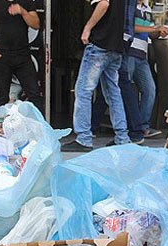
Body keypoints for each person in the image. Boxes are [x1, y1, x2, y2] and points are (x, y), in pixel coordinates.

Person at [62, 0, 134, 152]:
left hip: (100, 45)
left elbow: (103, 4)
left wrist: (87, 28)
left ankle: (83, 139)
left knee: (83, 90)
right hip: (116, 46)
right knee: (113, 92)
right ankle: (122, 138)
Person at [116, 0, 168, 144]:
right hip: (129, 51)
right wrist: (154, 29)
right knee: (124, 89)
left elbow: (149, 34)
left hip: (142, 55)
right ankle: (127, 127)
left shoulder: (147, 8)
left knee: (150, 90)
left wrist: (159, 33)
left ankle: (142, 127)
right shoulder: (129, 5)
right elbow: (131, 27)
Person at [0, 0, 44, 112]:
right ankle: (2, 127)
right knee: (2, 98)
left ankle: (40, 126)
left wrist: (22, 11)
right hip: (2, 56)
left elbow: (36, 25)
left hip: (23, 56)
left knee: (34, 94)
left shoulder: (26, 3)